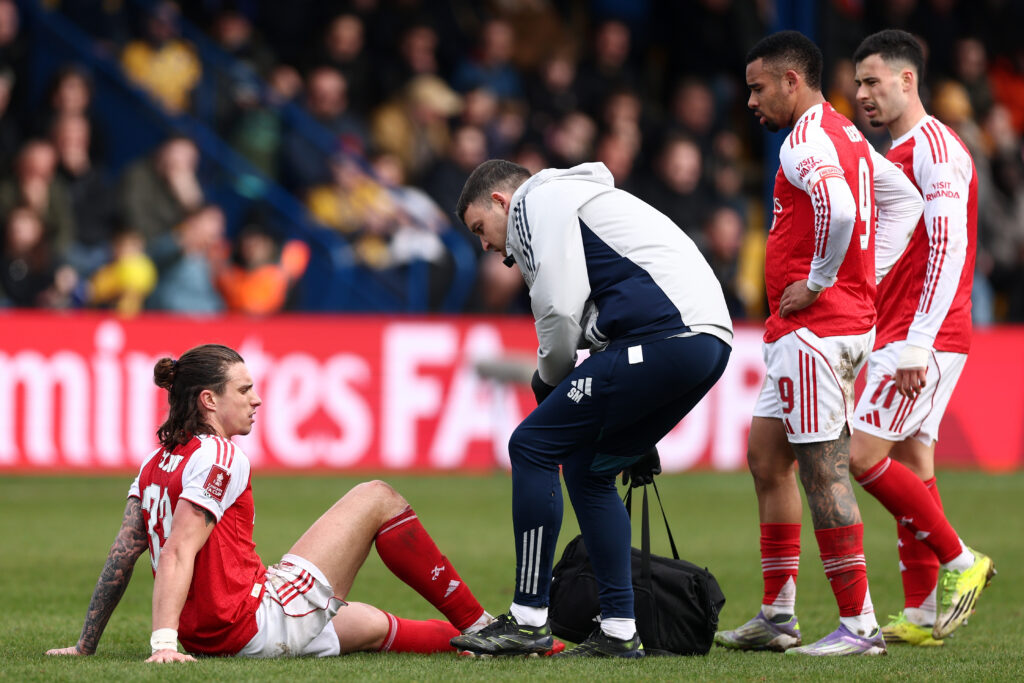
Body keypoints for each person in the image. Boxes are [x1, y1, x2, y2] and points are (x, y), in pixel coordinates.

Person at [45, 343, 502, 662]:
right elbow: (180, 551)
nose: (256, 399)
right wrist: (164, 644)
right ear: (209, 400)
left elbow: (121, 557)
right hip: (252, 622)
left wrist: (87, 644)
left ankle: (482, 644)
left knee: (369, 626)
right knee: (377, 497)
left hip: (212, 632)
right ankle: (482, 626)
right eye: (243, 390)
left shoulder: (154, 462)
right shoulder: (221, 455)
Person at [448, 159, 733, 658]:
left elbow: (559, 312)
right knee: (586, 469)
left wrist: (549, 382)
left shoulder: (538, 201)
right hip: (704, 343)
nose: (486, 245)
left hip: (668, 336)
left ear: (501, 201)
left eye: (480, 229)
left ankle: (529, 617)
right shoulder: (574, 200)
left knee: (531, 445)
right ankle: (621, 629)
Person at [713, 31, 924, 656]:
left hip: (815, 334)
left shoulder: (803, 142)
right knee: (766, 458)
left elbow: (836, 209)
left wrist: (824, 281)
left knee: (823, 471)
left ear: (790, 81)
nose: (751, 101)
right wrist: (867, 275)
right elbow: (901, 201)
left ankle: (859, 627)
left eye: (757, 88)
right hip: (817, 329)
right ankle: (778, 615)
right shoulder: (844, 131)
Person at [849, 29, 995, 646]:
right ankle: (920, 613)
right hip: (905, 327)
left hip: (922, 334)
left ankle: (963, 561)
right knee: (912, 463)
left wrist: (916, 344)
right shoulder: (900, 152)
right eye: (858, 84)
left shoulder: (938, 150)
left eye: (872, 82)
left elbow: (948, 247)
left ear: (908, 80)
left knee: (861, 457)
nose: (862, 95)